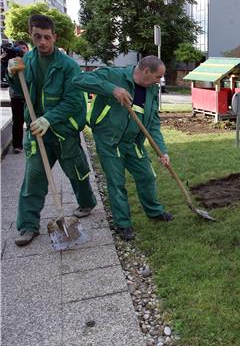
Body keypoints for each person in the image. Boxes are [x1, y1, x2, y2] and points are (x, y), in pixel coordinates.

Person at [7, 14, 96, 247]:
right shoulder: (28, 61)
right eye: (37, 37)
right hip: (38, 134)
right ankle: (28, 226)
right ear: (31, 35)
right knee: (33, 177)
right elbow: (21, 90)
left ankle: (86, 202)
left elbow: (74, 102)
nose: (43, 42)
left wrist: (48, 118)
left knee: (76, 171)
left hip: (64, 131)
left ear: (54, 37)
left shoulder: (68, 66)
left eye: (47, 37)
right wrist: (12, 75)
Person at [72, 56, 173, 240]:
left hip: (132, 142)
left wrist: (162, 150)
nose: (160, 81)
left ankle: (154, 211)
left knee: (147, 175)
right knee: (117, 182)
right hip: (109, 140)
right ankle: (123, 224)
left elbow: (153, 123)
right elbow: (79, 80)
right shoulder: (114, 75)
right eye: (158, 76)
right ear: (146, 71)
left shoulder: (151, 90)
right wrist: (113, 89)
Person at [6, 41, 29, 153]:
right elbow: (8, 78)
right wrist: (9, 71)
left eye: (23, 48)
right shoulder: (11, 61)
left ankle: (33, 143)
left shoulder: (31, 61)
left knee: (32, 120)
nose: (21, 51)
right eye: (19, 48)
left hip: (30, 95)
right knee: (18, 121)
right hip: (16, 96)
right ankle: (17, 145)